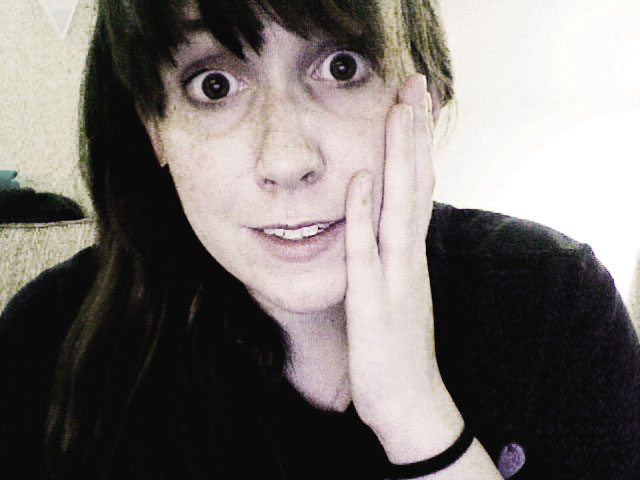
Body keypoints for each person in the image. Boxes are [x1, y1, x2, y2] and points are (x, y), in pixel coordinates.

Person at [1, 0, 638, 478]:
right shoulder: (45, 345)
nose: (285, 159)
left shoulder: (554, 304)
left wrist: (419, 420)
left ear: (427, 97)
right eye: (213, 85)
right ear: (155, 130)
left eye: (341, 66)